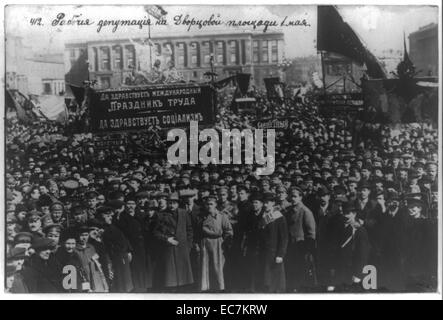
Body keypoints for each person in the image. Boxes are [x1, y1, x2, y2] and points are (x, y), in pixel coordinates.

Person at [153, 192, 194, 291]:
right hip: (168, 249)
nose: (172, 205)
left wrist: (188, 245)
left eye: (174, 203)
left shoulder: (184, 213)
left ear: (178, 203)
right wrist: (166, 239)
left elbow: (189, 230)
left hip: (182, 249)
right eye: (170, 203)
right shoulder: (161, 215)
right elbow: (155, 232)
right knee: (170, 279)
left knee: (184, 278)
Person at [285, 186, 316, 292]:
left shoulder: (305, 212)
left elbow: (311, 233)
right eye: (291, 196)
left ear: (301, 197)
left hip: (300, 247)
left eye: (295, 196)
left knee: (300, 271)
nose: (292, 198)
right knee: (291, 270)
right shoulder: (289, 211)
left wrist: (307, 249)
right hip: (290, 246)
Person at [199, 195, 233, 292]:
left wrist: (225, 241)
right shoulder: (202, 216)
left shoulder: (222, 216)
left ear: (215, 205)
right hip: (205, 242)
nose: (209, 206)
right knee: (205, 265)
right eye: (207, 204)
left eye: (211, 204)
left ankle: (219, 287)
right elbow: (198, 229)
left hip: (218, 242)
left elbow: (229, 230)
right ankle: (205, 287)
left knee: (218, 265)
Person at [256, 192, 288, 293]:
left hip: (275, 253)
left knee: (275, 284)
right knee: (265, 282)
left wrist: (280, 254)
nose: (265, 205)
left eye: (268, 202)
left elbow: (284, 238)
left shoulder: (279, 217)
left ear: (273, 203)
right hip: (263, 253)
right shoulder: (261, 216)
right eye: (264, 202)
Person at [98, 206, 134, 293]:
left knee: (123, 282)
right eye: (107, 216)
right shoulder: (101, 229)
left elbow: (124, 239)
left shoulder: (113, 227)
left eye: (110, 216)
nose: (110, 217)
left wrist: (128, 251)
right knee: (117, 282)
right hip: (112, 258)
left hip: (121, 257)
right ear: (101, 217)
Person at [75, 225, 109, 292]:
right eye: (82, 235)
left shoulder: (91, 247)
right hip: (83, 278)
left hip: (94, 277)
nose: (84, 238)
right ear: (77, 235)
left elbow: (97, 266)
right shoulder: (75, 250)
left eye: (86, 235)